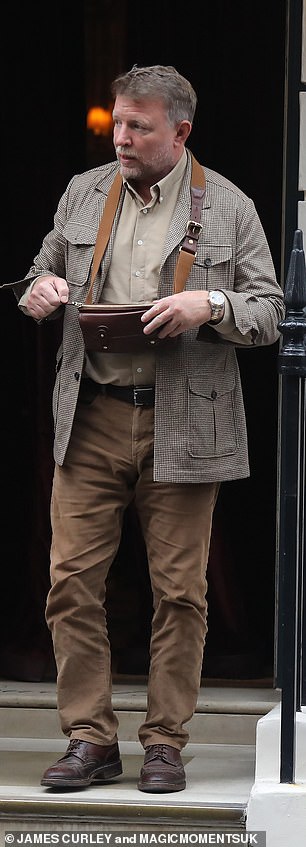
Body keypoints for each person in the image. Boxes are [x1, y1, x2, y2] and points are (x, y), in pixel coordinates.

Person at [8, 64, 284, 793]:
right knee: (69, 583)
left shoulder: (229, 205)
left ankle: (165, 742)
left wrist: (210, 306)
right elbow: (39, 271)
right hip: (93, 416)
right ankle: (90, 738)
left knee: (181, 593)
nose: (121, 137)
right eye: (117, 120)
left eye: (139, 127)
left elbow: (269, 311)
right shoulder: (82, 190)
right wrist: (41, 291)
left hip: (186, 424)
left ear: (180, 132)